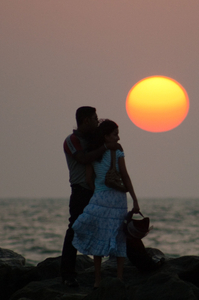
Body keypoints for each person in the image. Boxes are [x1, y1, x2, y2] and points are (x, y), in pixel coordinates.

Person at [72, 119, 140, 288]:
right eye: (115, 134)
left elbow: (89, 179)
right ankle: (119, 278)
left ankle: (97, 281)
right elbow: (125, 176)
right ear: (106, 136)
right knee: (119, 237)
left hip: (100, 198)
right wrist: (135, 199)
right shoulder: (117, 153)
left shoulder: (93, 154)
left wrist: (98, 190)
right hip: (118, 200)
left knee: (97, 237)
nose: (118, 138)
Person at [61, 107, 121, 287]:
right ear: (86, 120)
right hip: (81, 191)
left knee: (117, 228)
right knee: (75, 229)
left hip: (100, 191)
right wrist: (104, 146)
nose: (97, 121)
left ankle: (140, 263)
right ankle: (67, 275)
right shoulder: (72, 140)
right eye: (95, 119)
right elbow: (83, 159)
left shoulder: (94, 139)